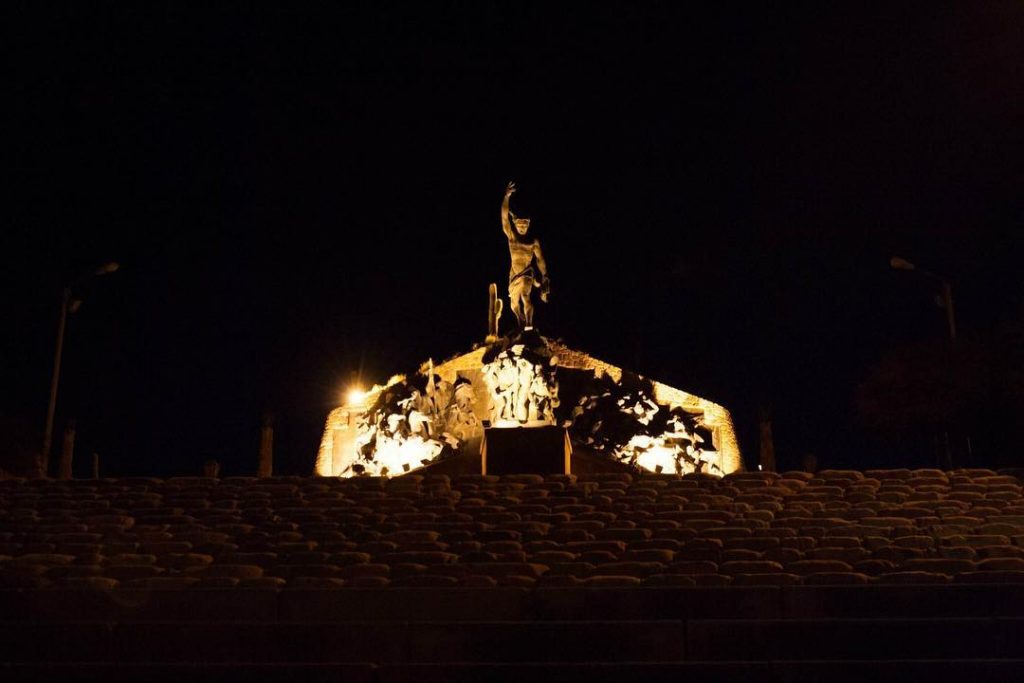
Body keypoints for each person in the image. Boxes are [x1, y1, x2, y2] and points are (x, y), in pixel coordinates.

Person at [501, 182, 550, 329]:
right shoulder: (512, 237)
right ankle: (521, 321)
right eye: (520, 225)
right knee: (513, 304)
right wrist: (506, 197)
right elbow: (504, 218)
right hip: (513, 274)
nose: (522, 228)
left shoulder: (533, 242)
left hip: (527, 273)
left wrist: (545, 274)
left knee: (525, 296)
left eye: (525, 226)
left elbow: (540, 259)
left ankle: (529, 325)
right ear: (515, 225)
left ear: (528, 225)